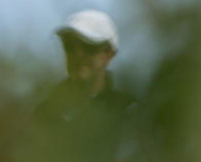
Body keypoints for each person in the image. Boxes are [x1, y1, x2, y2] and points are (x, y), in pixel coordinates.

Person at [29, 10, 136, 162]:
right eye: (69, 46)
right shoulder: (43, 114)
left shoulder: (128, 112)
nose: (78, 54)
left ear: (109, 54)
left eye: (88, 46)